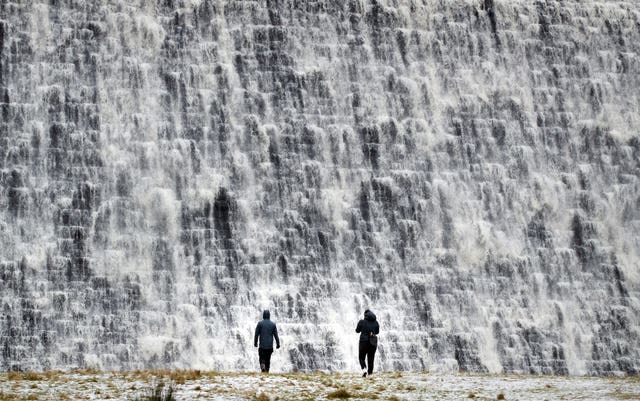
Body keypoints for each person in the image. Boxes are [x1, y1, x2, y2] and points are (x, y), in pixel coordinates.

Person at [356, 309, 379, 377]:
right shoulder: (376, 322)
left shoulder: (362, 322)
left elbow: (357, 331)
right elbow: (377, 332)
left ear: (365, 315)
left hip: (364, 342)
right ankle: (370, 373)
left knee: (361, 357)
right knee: (371, 358)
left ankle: (364, 370)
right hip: (373, 342)